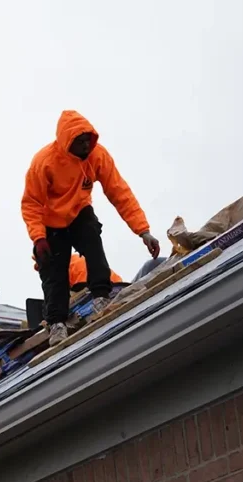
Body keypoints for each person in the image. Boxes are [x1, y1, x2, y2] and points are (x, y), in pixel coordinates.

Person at [22, 111, 160, 346]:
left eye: (89, 140)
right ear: (67, 141)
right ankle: (57, 323)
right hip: (50, 223)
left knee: (93, 242)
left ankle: (101, 297)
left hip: (78, 212)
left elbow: (119, 192)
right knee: (54, 273)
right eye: (80, 141)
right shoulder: (44, 161)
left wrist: (143, 231)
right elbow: (31, 203)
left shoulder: (97, 156)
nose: (86, 145)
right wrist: (38, 238)